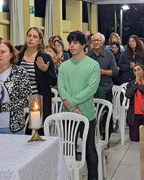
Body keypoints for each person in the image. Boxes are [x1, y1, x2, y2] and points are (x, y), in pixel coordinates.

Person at [58, 31, 99, 180]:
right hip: (68, 114)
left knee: (89, 148)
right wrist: (71, 107)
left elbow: (91, 89)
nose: (72, 45)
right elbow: (61, 88)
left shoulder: (93, 65)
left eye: (75, 42)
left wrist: (72, 102)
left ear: (83, 45)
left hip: (86, 114)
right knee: (68, 148)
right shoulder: (64, 66)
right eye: (70, 42)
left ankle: (93, 178)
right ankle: (68, 176)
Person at [17, 27, 57, 122]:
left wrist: (45, 70)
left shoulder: (45, 58)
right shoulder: (18, 57)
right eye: (29, 36)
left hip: (38, 100)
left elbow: (54, 81)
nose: (31, 39)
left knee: (37, 132)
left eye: (35, 37)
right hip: (21, 100)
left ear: (40, 41)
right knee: (23, 132)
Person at [125, 64, 144, 141]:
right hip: (134, 114)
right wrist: (134, 85)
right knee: (134, 138)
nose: (137, 72)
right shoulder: (131, 83)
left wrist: (140, 84)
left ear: (143, 71)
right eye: (135, 70)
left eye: (139, 69)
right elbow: (128, 95)